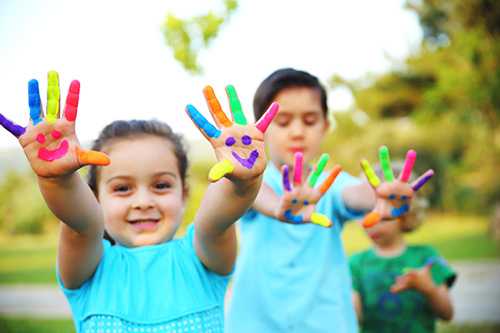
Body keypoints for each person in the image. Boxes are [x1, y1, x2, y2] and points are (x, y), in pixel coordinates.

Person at [0, 71, 278, 333]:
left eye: (161, 185)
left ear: (184, 194)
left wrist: (243, 182)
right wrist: (58, 180)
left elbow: (216, 221)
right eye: (122, 188)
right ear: (96, 198)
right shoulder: (88, 267)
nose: (143, 201)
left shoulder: (201, 259)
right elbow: (81, 225)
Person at [225, 68, 432, 333]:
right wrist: (278, 206)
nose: (298, 132)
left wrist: (376, 195)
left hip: (326, 322)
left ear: (326, 126)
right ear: (260, 129)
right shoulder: (252, 181)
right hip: (256, 324)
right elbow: (252, 192)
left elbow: (353, 194)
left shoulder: (330, 184)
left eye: (310, 121)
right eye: (284, 121)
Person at [349, 162, 456, 333]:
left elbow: (447, 314)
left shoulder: (425, 257)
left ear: (406, 215)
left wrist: (428, 288)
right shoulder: (355, 264)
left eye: (383, 217)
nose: (372, 224)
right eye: (364, 212)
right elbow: (354, 318)